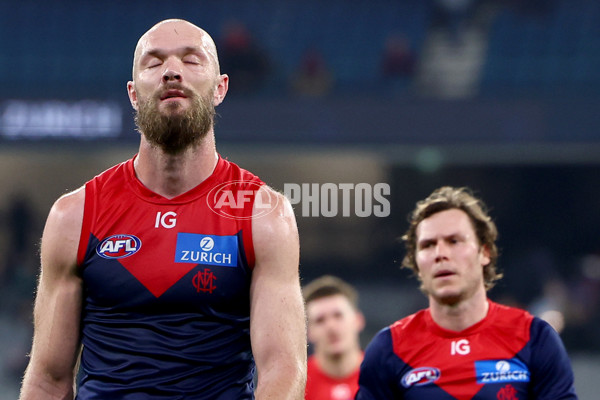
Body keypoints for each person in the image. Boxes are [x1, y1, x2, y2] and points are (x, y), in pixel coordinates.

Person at [19, 19, 306, 400]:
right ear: (133, 93)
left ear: (220, 88)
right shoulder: (74, 216)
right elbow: (47, 380)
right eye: (154, 63)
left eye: (191, 60)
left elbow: (283, 369)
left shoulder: (263, 214)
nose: (172, 71)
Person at [357, 186, 578, 399]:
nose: (440, 254)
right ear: (416, 262)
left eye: (454, 241)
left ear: (484, 252)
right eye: (428, 245)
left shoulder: (534, 337)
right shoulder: (389, 348)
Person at [303, 275, 364, 400]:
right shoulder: (297, 384)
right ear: (308, 332)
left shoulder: (383, 374)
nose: (331, 326)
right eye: (320, 320)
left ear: (358, 320)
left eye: (338, 316)